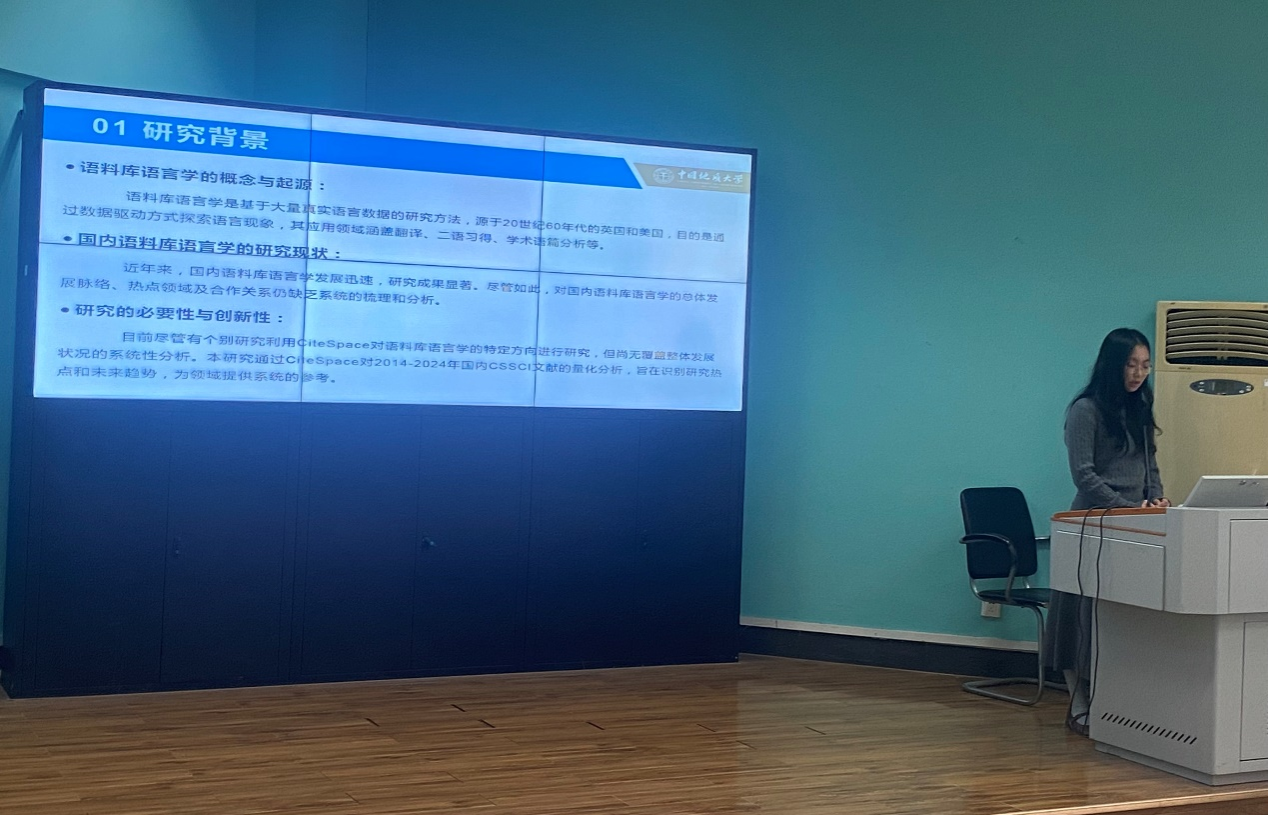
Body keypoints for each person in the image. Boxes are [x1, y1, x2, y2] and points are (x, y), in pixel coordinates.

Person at [1049, 327, 1170, 735]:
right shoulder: (1086, 410)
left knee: (1117, 616)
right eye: (1131, 365)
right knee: (1079, 615)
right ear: (1112, 365)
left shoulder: (1139, 407)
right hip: (1091, 522)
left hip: (1134, 523)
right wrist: (1125, 506)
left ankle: (1116, 702)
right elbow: (1084, 475)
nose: (1138, 374)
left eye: (1145, 366)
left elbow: (1150, 466)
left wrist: (1156, 500)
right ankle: (1079, 703)